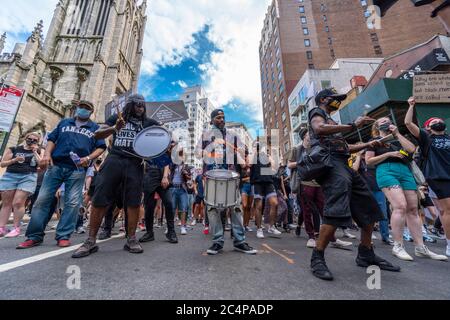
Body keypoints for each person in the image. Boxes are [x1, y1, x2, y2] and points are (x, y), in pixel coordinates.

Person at [308, 88, 400, 281]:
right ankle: (317, 257)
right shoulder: (317, 113)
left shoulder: (332, 123)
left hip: (343, 164)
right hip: (331, 165)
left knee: (370, 209)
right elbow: (318, 129)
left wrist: (367, 145)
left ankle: (366, 253)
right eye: (336, 99)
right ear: (324, 100)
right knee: (335, 210)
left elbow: (345, 147)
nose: (338, 102)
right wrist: (352, 125)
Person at [72, 94, 159, 258]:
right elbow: (97, 135)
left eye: (143, 105)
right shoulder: (116, 117)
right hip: (114, 160)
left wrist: (156, 145)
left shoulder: (149, 123)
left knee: (133, 201)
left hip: (136, 164)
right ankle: (90, 241)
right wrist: (114, 128)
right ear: (130, 105)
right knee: (100, 199)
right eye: (137, 104)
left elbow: (162, 138)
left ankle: (131, 239)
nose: (140, 108)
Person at [17, 101, 106, 249]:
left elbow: (101, 147)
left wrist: (89, 158)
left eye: (87, 108)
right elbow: (52, 139)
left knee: (72, 204)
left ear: (91, 112)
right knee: (41, 201)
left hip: (77, 170)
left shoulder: (95, 128)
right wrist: (46, 154)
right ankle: (34, 236)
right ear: (77, 108)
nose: (83, 110)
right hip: (56, 166)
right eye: (81, 107)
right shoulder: (64, 122)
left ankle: (63, 236)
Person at [366, 116, 447, 261]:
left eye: (389, 120)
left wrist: (396, 134)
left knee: (413, 209)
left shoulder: (398, 137)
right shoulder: (374, 142)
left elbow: (411, 149)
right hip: (386, 170)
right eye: (382, 121)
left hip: (405, 170)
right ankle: (398, 246)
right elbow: (369, 161)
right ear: (376, 127)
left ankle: (420, 247)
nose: (387, 122)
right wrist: (389, 154)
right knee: (400, 206)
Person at [196, 109, 257, 255]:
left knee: (235, 208)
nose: (222, 120)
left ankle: (239, 242)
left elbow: (244, 153)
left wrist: (234, 151)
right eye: (218, 118)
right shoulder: (205, 135)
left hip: (231, 176)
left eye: (223, 117)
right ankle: (217, 241)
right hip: (212, 176)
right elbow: (198, 153)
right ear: (211, 121)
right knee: (212, 209)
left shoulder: (232, 135)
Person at [405, 97, 450, 257]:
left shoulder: (448, 137)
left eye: (438, 119)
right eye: (433, 121)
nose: (437, 121)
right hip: (438, 177)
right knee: (447, 210)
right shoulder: (426, 139)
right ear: (428, 128)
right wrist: (411, 106)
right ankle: (449, 245)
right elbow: (408, 124)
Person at [0, 132, 43, 238]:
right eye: (29, 139)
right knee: (6, 203)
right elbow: (2, 163)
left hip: (28, 177)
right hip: (10, 176)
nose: (31, 141)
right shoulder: (14, 149)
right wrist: (14, 160)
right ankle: (1, 227)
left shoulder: (39, 150)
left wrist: (35, 152)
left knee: (18, 202)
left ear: (38, 142)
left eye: (35, 140)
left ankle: (16, 228)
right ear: (25, 138)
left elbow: (42, 164)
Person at [352, 148, 393, 245]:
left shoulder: (376, 159)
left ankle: (385, 237)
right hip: (364, 190)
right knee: (366, 215)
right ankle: (366, 238)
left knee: (383, 214)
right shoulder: (360, 160)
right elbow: (354, 169)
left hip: (378, 189)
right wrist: (358, 156)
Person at [139, 151, 178, 244]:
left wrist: (165, 176)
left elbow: (166, 161)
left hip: (161, 176)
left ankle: (171, 231)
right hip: (149, 176)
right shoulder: (144, 144)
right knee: (149, 206)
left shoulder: (161, 143)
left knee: (169, 203)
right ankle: (149, 233)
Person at [250, 141, 282, 239]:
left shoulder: (267, 156)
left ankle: (271, 226)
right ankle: (259, 229)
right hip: (257, 182)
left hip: (268, 182)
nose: (260, 147)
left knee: (275, 203)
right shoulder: (253, 155)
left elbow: (273, 167)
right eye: (257, 146)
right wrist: (255, 152)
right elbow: (249, 164)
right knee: (258, 206)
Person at [169, 150, 191, 236]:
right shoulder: (173, 165)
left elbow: (189, 178)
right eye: (180, 156)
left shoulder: (186, 167)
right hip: (173, 188)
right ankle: (170, 227)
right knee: (172, 209)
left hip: (182, 189)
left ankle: (183, 226)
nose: (181, 157)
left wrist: (186, 174)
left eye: (183, 156)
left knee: (184, 208)